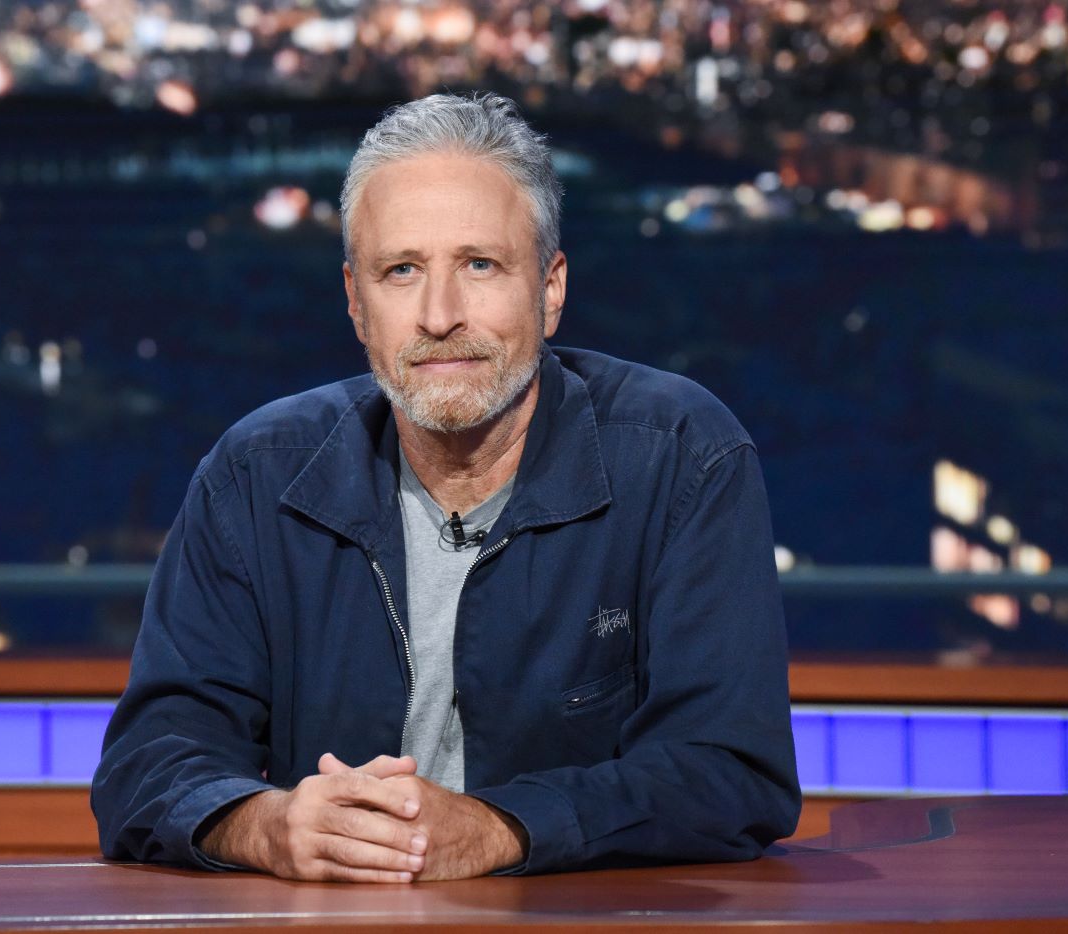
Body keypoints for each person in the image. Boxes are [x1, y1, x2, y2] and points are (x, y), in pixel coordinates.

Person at [92, 92, 800, 882]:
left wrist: (501, 827)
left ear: (551, 288)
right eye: (402, 271)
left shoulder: (682, 457)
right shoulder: (256, 475)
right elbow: (146, 768)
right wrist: (272, 825)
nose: (439, 315)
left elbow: (732, 772)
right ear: (358, 304)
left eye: (480, 265)